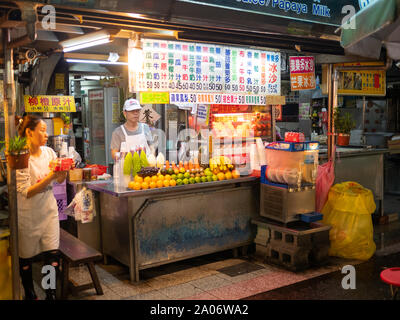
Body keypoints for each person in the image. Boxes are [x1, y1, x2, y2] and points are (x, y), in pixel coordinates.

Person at [16, 115, 67, 300]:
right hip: (28, 214)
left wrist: (63, 172)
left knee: (51, 254)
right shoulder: (21, 156)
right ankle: (30, 294)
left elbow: (59, 179)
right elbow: (25, 191)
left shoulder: (49, 153)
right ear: (29, 132)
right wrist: (52, 177)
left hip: (49, 210)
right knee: (26, 256)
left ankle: (50, 294)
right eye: (43, 130)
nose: (47, 134)